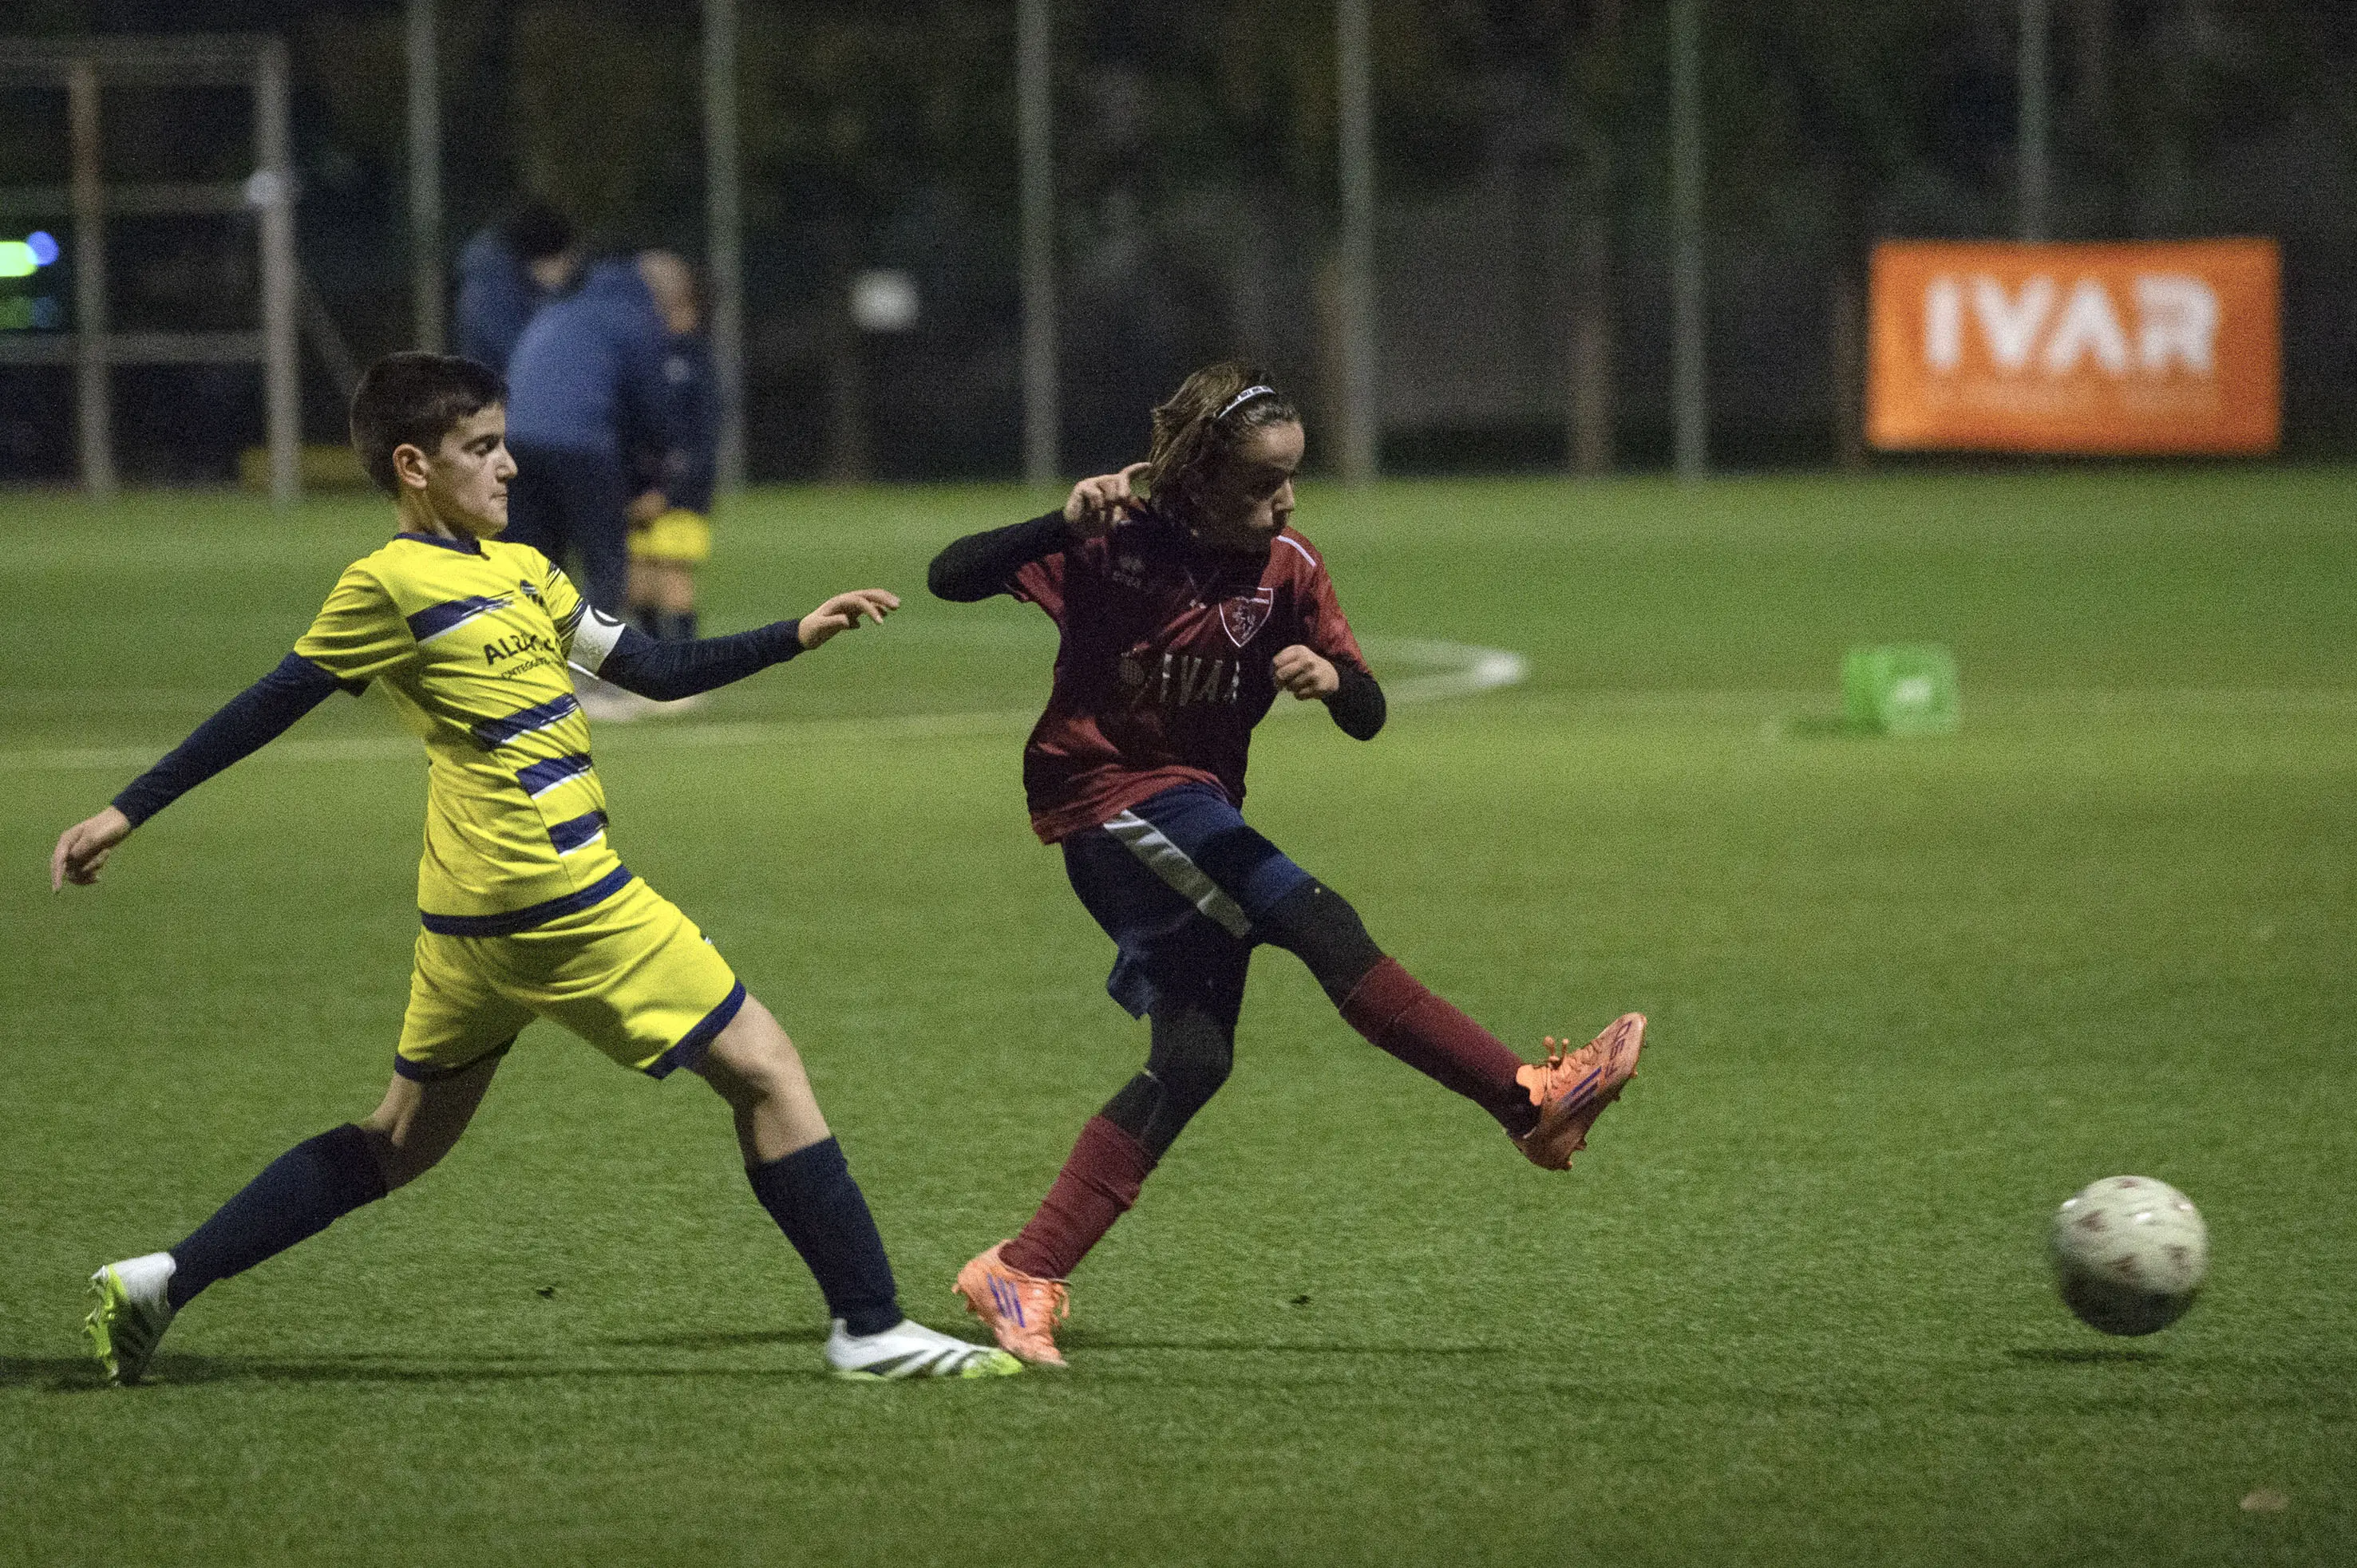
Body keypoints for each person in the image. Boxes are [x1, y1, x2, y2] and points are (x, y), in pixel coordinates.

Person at [55, 352, 1020, 1386]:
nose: (510, 465)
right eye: (483, 447)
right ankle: (870, 1325)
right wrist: (128, 808)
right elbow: (268, 702)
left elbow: (649, 670)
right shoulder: (387, 583)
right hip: (552, 892)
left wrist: (795, 632)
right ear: (415, 464)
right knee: (768, 1070)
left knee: (400, 1140)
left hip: (473, 918)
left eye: (504, 441)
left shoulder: (524, 571)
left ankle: (160, 1279)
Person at [926, 362, 1644, 1368]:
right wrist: (1057, 522)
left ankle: (1022, 1269)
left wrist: (1334, 679)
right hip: (1107, 800)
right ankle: (1527, 1099)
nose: (1287, 499)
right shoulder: (1114, 541)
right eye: (1265, 481)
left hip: (1193, 812)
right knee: (1315, 916)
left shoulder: (1288, 569)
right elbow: (946, 575)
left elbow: (1369, 715)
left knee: (1193, 1061)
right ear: (1202, 475)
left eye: (1293, 478)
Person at [502, 250, 686, 625]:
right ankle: (592, 671)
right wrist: (654, 475)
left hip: (513, 441)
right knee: (605, 560)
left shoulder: (559, 309)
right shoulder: (634, 317)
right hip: (581, 444)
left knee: (533, 561)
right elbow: (649, 406)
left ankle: (525, 661)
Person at [626, 253, 717, 643]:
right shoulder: (646, 351)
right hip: (640, 488)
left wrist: (669, 491)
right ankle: (654, 670)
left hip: (680, 491)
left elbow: (699, 437)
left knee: (673, 573)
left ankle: (685, 670)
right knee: (638, 576)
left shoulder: (692, 358)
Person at [453, 201, 579, 372]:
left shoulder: (490, 281)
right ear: (545, 261)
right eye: (566, 260)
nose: (569, 270)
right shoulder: (496, 295)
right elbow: (530, 358)